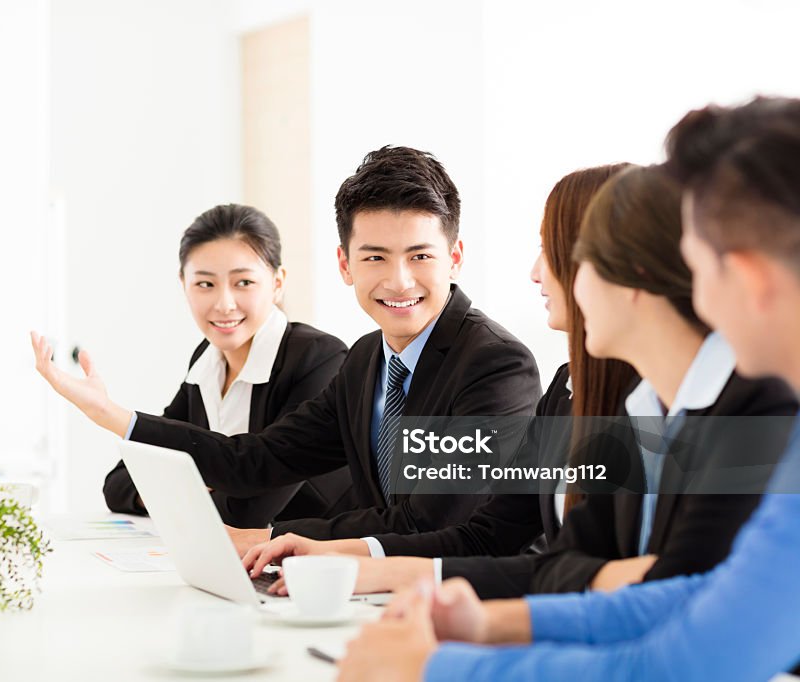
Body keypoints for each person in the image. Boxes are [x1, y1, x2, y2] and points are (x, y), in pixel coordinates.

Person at [336, 97, 800, 682]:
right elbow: (683, 600)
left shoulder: (756, 414)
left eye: (697, 260)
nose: (691, 289)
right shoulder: (640, 404)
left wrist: (440, 666)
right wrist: (492, 625)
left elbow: (688, 656)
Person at [33, 146, 541, 553]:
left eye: (420, 255)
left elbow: (429, 520)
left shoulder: (494, 363)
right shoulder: (368, 360)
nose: (399, 279)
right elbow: (255, 459)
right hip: (374, 594)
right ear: (345, 265)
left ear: (454, 258)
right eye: (375, 257)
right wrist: (111, 413)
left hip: (469, 606)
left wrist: (274, 538)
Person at [243, 164, 639, 597]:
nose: (535, 272)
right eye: (376, 256)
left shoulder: (499, 363)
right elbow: (489, 536)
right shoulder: (568, 387)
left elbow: (617, 581)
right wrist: (347, 560)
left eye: (552, 250)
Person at [101, 203, 354, 527]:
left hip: (323, 564)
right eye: (205, 284)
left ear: (277, 283)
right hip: (238, 560)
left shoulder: (318, 358)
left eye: (243, 283)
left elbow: (250, 511)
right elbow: (119, 483)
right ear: (184, 284)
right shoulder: (207, 360)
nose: (223, 304)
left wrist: (171, 494)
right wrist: (187, 494)